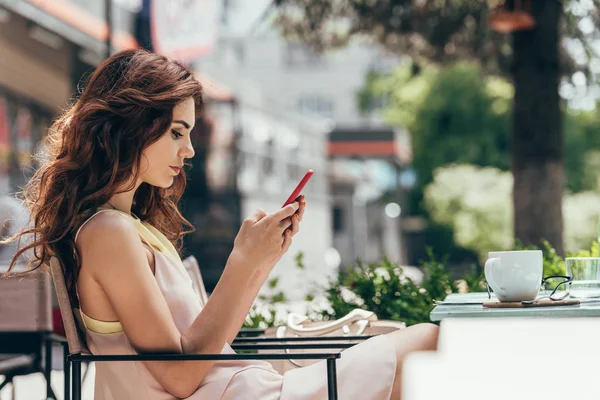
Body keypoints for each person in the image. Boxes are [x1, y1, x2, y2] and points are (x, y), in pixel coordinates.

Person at [2, 49, 438, 399]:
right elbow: (178, 378)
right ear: (131, 127)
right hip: (239, 392)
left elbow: (203, 344)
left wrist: (260, 259)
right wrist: (243, 261)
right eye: (176, 132)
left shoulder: (127, 226)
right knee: (428, 341)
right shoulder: (108, 233)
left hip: (246, 385)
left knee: (426, 342)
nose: (189, 151)